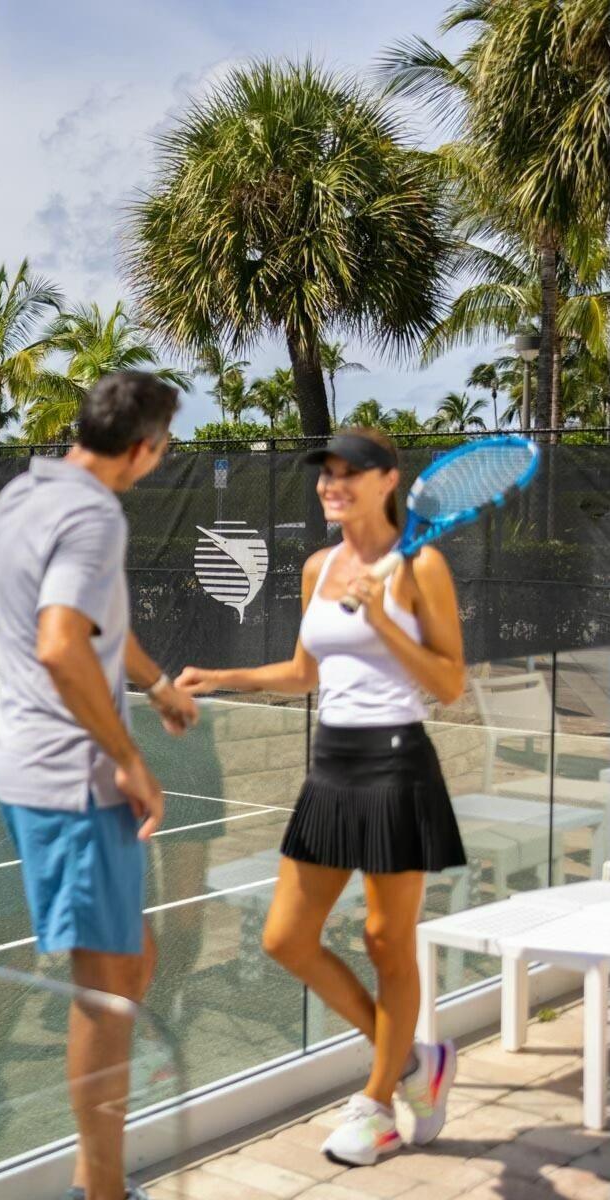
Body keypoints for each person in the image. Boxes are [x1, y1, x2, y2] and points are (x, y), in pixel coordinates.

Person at [177, 428, 467, 1167]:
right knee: (285, 937)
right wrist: (221, 677)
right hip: (331, 765)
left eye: (348, 473)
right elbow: (305, 673)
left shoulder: (422, 566)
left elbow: (449, 684)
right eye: (325, 473)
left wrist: (381, 621)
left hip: (397, 764)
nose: (331, 485)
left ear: (388, 481)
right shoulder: (318, 566)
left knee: (385, 941)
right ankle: (413, 1061)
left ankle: (378, 1106)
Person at [0, 371, 197, 1200]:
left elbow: (95, 623)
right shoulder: (95, 513)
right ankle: (100, 1191)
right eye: (165, 445)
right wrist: (127, 757)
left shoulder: (25, 494)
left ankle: (92, 1178)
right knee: (106, 990)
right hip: (70, 780)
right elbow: (60, 644)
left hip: (37, 769)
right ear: (143, 447)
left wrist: (155, 684)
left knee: (130, 963)